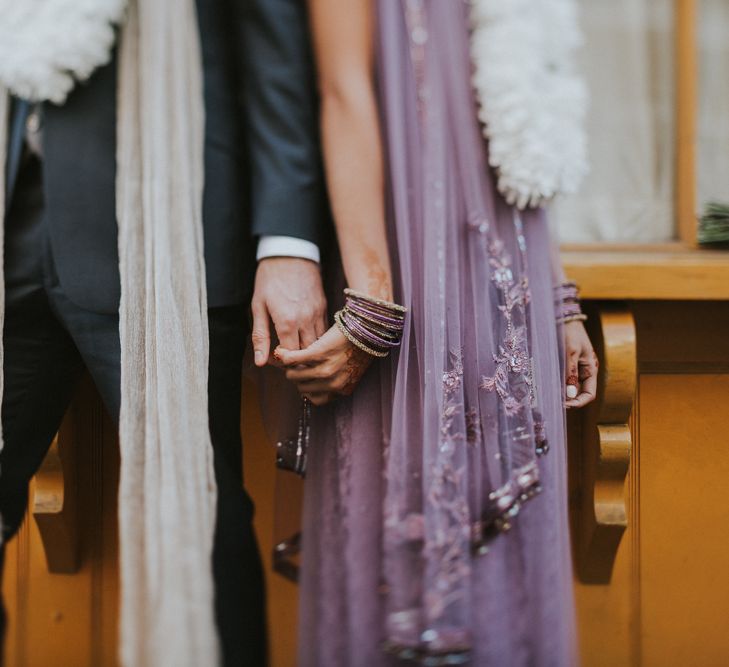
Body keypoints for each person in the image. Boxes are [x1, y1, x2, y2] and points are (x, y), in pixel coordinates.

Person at [0, 0, 327, 665]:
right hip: (15, 218)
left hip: (167, 226)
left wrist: (289, 239)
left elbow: (276, 53)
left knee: (197, 521)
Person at [275, 0, 598, 665]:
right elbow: (343, 90)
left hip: (507, 288)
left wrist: (557, 296)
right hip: (399, 265)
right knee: (400, 537)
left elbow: (522, 124)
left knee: (505, 546)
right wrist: (372, 302)